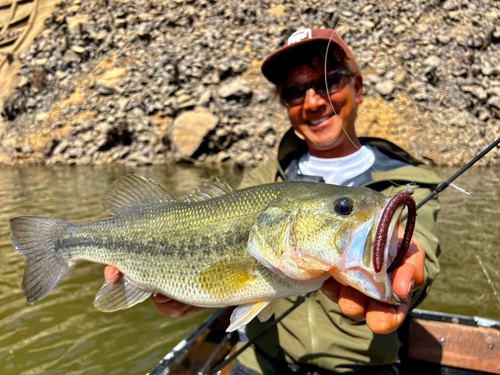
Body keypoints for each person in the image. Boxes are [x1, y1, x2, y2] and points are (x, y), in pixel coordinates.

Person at [105, 29, 441, 374]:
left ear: (357, 88)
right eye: (295, 92)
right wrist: (190, 295)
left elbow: (422, 251)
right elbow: (222, 272)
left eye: (328, 82)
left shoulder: (409, 184)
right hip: (260, 363)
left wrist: (409, 265)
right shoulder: (263, 180)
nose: (313, 101)